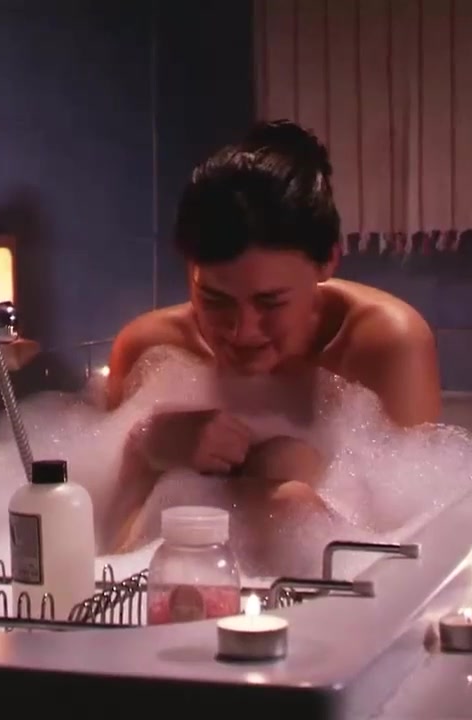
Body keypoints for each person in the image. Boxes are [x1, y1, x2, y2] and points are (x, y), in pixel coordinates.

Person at [100, 120, 440, 553]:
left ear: (328, 261)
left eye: (270, 302)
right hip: (178, 577)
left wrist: (288, 506)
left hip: (320, 581)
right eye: (215, 299)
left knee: (285, 467)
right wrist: (148, 445)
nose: (241, 331)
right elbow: (108, 546)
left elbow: (415, 544)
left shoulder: (383, 345)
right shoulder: (151, 349)